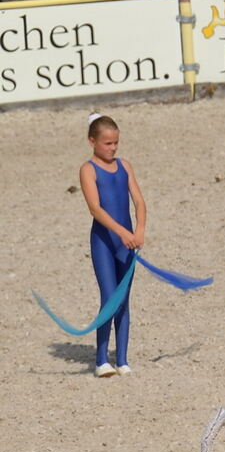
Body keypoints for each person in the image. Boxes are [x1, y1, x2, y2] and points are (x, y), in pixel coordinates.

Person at [79, 114, 146, 378]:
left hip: (127, 244)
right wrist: (121, 232)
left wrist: (138, 231)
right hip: (104, 242)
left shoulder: (124, 166)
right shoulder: (88, 169)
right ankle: (100, 360)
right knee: (109, 297)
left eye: (116, 143)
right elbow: (95, 208)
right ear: (92, 141)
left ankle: (122, 359)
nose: (113, 148)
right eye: (107, 143)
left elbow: (139, 202)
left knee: (124, 301)